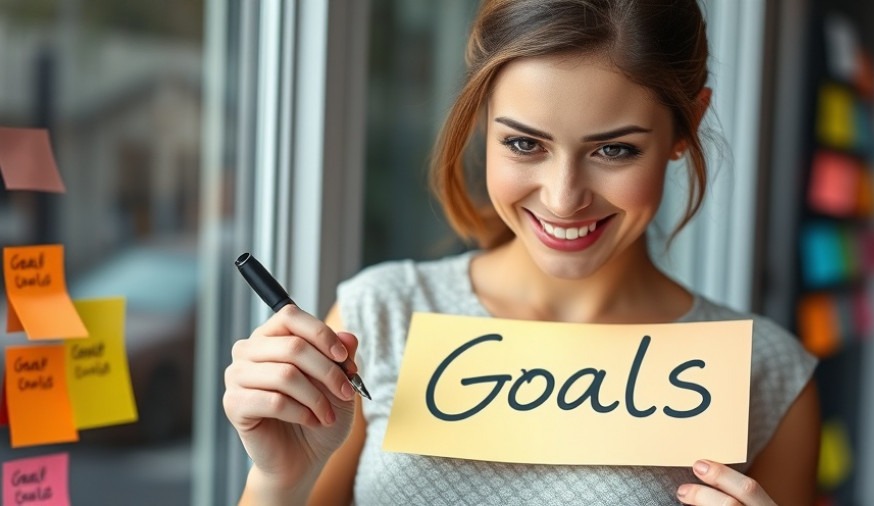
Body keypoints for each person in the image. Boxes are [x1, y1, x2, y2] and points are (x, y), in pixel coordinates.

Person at [223, 0, 820, 504]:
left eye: (614, 151)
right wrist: (280, 479)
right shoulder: (382, 314)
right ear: (483, 120)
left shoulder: (764, 372)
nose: (564, 200)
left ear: (686, 127)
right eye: (525, 143)